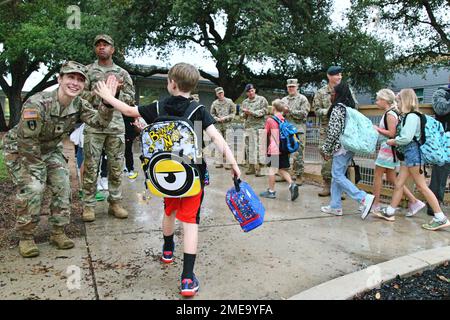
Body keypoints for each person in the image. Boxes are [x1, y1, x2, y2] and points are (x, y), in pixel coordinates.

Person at [94, 62, 241, 297]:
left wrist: (107, 96)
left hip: (164, 176)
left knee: (169, 211)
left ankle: (168, 250)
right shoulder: (199, 109)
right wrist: (233, 164)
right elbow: (217, 139)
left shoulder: (159, 106)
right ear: (192, 86)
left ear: (171, 83)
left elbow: (129, 110)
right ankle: (187, 279)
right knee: (191, 222)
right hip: (191, 177)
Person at [1, 61, 114, 258]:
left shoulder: (78, 104)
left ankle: (57, 232)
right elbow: (28, 142)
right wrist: (39, 172)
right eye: (71, 77)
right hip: (21, 150)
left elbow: (99, 121)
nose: (75, 83)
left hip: (50, 149)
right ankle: (26, 237)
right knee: (34, 188)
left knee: (63, 185)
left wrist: (107, 103)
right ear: (59, 79)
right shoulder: (37, 103)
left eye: (80, 80)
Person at [375, 89, 450, 231]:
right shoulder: (412, 116)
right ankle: (390, 211)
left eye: (398, 100)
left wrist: (393, 141)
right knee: (399, 183)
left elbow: (406, 138)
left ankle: (440, 217)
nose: (396, 103)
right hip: (410, 156)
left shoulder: (411, 117)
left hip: (413, 155)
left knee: (422, 186)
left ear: (405, 100)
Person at [81, 34, 135, 222]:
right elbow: (80, 96)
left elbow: (131, 99)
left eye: (106, 45)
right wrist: (103, 96)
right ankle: (88, 205)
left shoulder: (122, 73)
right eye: (99, 45)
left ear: (113, 49)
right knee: (90, 167)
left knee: (116, 166)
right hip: (94, 123)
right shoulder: (87, 71)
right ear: (95, 49)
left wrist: (116, 94)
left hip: (116, 125)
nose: (102, 48)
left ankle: (115, 203)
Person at [319, 82, 375, 219]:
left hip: (341, 148)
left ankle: (362, 198)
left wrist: (326, 149)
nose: (330, 96)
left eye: (332, 94)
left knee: (337, 175)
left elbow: (333, 132)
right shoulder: (349, 108)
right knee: (337, 175)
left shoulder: (337, 109)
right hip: (349, 147)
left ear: (337, 95)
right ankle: (335, 206)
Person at [372, 89, 424, 215]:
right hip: (392, 149)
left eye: (378, 99)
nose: (376, 102)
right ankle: (414, 201)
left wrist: (377, 128)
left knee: (378, 175)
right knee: (392, 177)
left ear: (385, 100)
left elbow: (392, 133)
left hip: (388, 148)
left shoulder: (390, 114)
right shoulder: (393, 112)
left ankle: (375, 204)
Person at [313, 66, 358, 197]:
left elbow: (355, 105)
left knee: (342, 158)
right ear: (329, 76)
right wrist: (328, 111)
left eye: (340, 75)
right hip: (326, 129)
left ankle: (341, 188)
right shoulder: (321, 92)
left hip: (343, 130)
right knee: (326, 158)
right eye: (336, 75)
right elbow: (316, 110)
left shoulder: (346, 89)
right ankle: (327, 184)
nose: (339, 77)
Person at [259, 99, 299, 201]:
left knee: (272, 170)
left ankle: (271, 191)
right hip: (283, 149)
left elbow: (265, 134)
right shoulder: (283, 120)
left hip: (273, 149)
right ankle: (292, 184)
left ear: (273, 108)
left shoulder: (270, 120)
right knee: (281, 169)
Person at [426, 85, 450, 216]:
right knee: (440, 175)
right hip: (445, 142)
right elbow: (441, 109)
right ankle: (433, 207)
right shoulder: (441, 93)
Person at [281, 79, 310, 185]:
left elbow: (304, 114)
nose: (291, 88)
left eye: (293, 86)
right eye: (289, 87)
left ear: (297, 87)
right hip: (286, 130)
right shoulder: (283, 100)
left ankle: (299, 176)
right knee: (284, 153)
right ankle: (285, 174)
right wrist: (283, 113)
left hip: (298, 130)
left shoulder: (302, 99)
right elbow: (279, 114)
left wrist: (290, 111)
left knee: (298, 154)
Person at [241, 84, 268, 176]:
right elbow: (242, 115)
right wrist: (244, 114)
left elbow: (265, 111)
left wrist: (251, 112)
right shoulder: (245, 102)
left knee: (259, 148)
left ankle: (260, 169)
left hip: (259, 127)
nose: (250, 93)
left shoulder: (261, 99)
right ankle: (251, 167)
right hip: (248, 128)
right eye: (248, 91)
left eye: (252, 90)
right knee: (249, 148)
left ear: (255, 90)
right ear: (247, 93)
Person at [210, 87, 236, 169]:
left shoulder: (229, 101)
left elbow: (233, 112)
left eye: (221, 93)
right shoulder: (214, 103)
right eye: (219, 93)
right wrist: (217, 119)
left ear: (223, 92)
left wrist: (226, 118)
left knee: (228, 144)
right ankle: (219, 162)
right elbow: (212, 114)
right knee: (218, 143)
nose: (220, 94)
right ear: (216, 94)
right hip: (218, 126)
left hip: (227, 125)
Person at [123, 114, 139, 179]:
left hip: (127, 131)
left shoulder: (128, 107)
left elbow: (133, 119)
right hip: (118, 131)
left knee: (128, 151)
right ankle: (127, 167)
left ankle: (130, 169)